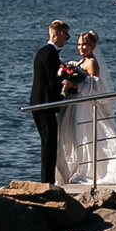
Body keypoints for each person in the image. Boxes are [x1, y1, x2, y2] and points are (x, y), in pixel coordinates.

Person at [56, 30, 116, 187]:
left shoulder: (92, 63)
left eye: (84, 44)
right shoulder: (81, 63)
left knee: (89, 136)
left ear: (92, 45)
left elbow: (95, 87)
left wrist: (74, 84)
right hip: (78, 105)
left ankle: (94, 171)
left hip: (87, 107)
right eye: (79, 44)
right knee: (81, 137)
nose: (81, 47)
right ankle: (85, 168)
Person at [29, 20, 72, 182]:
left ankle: (47, 180)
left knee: (47, 142)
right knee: (49, 144)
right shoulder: (51, 55)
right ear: (61, 34)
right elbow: (53, 82)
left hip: (37, 103)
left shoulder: (41, 52)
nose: (66, 40)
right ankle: (47, 182)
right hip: (45, 105)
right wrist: (67, 88)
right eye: (67, 36)